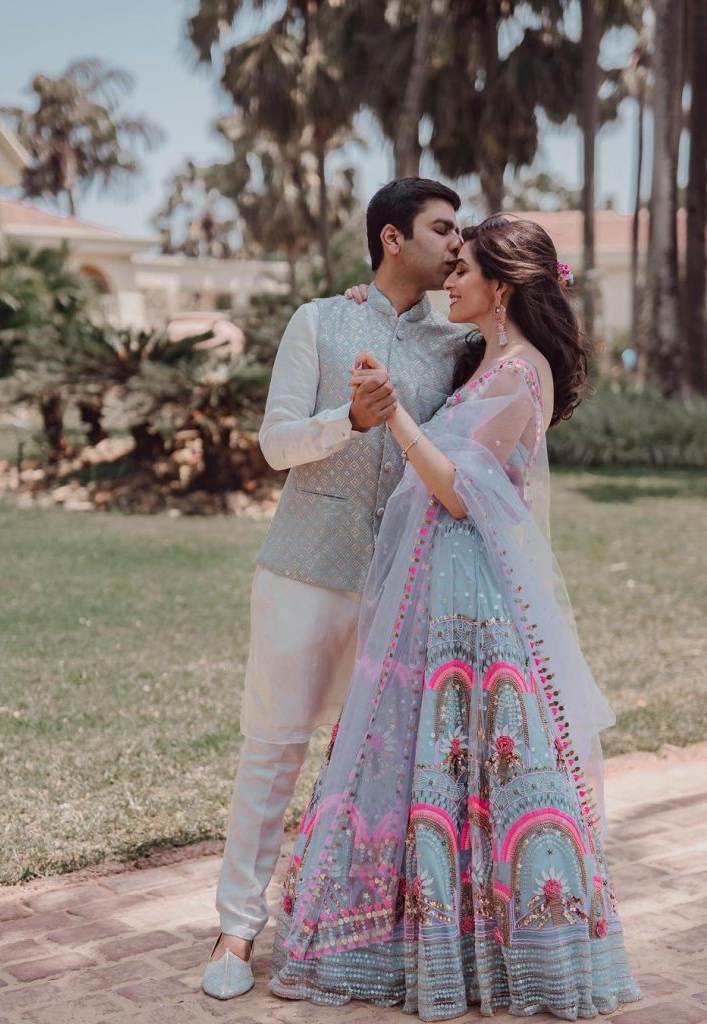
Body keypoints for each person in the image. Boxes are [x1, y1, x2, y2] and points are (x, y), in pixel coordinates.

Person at [269, 216, 642, 1020]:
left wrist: (393, 413)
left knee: (474, 759)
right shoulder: (487, 360)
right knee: (422, 754)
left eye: (464, 269)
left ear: (500, 287)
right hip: (434, 586)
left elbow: (456, 490)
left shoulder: (524, 373)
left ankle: (497, 948)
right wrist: (362, 306)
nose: (450, 279)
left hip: (472, 590)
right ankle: (415, 933)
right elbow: (419, 327)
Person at [201, 178, 468, 1000]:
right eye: (443, 228)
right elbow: (275, 444)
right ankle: (236, 933)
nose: (457, 244)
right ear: (392, 238)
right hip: (303, 570)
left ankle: (340, 926)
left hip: (402, 586)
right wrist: (347, 421)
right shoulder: (320, 320)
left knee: (374, 765)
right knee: (273, 749)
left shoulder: (456, 345)